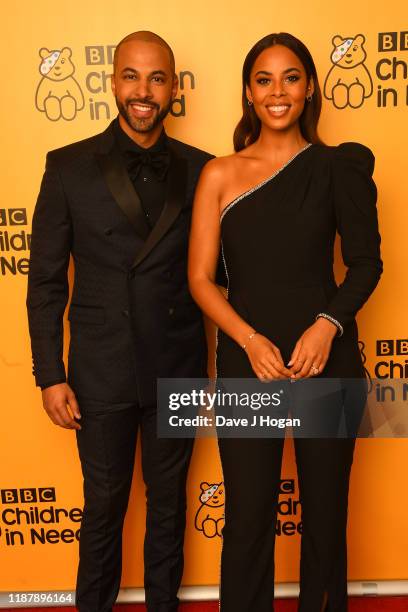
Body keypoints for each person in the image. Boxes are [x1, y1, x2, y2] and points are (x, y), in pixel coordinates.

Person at [188, 32, 382, 611]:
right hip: (251, 367)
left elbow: (368, 266)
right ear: (249, 92)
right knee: (248, 516)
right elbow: (200, 279)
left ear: (310, 88)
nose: (278, 92)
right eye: (264, 80)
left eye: (291, 77)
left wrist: (327, 325)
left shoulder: (336, 167)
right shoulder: (219, 174)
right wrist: (248, 340)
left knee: (325, 514)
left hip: (329, 360)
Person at [27, 31, 212, 612]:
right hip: (99, 369)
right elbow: (46, 283)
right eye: (131, 76)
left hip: (176, 368)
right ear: (112, 82)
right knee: (104, 505)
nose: (143, 91)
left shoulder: (204, 170)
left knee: (168, 507)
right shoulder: (67, 167)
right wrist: (49, 375)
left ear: (173, 88)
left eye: (157, 78)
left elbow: (227, 269)